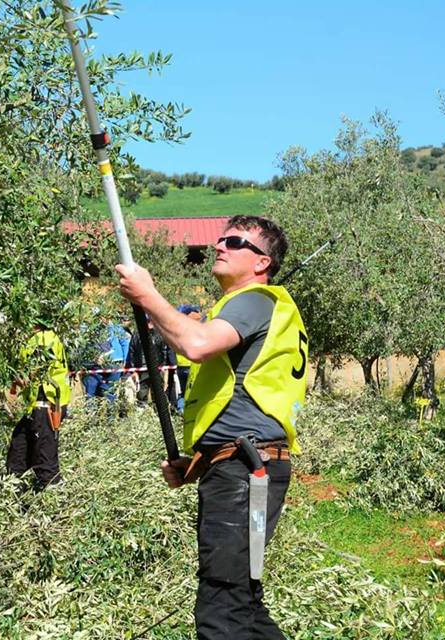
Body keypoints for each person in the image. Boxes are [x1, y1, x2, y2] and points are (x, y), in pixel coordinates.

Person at [116, 215, 308, 640]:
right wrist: (199, 463)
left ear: (262, 263)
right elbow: (237, 403)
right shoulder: (257, 308)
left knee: (222, 607)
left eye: (235, 242)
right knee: (243, 600)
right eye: (221, 238)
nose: (220, 245)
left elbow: (196, 344)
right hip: (248, 467)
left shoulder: (255, 300)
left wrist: (148, 295)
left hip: (245, 473)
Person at [6, 322, 71, 491]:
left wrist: (10, 375)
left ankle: (55, 505)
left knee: (45, 461)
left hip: (46, 406)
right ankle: (13, 495)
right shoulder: (44, 337)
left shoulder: (43, 340)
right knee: (18, 452)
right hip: (36, 408)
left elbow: (33, 373)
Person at [125, 315, 172, 408]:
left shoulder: (158, 333)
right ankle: (143, 414)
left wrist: (163, 366)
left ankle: (158, 414)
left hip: (156, 368)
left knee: (158, 394)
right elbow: (132, 351)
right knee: (143, 395)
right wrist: (134, 370)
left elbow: (164, 351)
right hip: (143, 369)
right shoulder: (138, 334)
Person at [174, 304, 202, 413]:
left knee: (183, 390)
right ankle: (192, 411)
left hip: (180, 365)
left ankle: (181, 411)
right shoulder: (195, 328)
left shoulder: (178, 329)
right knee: (194, 391)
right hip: (192, 365)